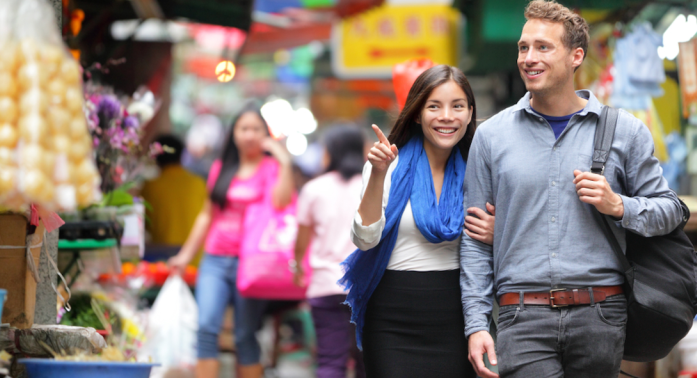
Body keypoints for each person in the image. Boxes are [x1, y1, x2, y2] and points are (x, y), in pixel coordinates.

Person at [460, 0, 685, 378]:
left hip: (601, 312)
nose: (529, 57)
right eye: (523, 47)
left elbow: (671, 210)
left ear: (576, 56)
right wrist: (477, 323)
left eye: (543, 47)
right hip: (521, 314)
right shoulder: (491, 136)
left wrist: (618, 206)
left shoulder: (625, 131)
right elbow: (474, 241)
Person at [341, 65, 491, 378]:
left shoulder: (481, 171)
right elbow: (365, 239)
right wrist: (379, 175)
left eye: (457, 106)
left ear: (470, 113)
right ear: (417, 114)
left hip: (457, 315)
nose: (447, 116)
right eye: (434, 106)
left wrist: (497, 233)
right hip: (391, 321)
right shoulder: (388, 164)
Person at [168, 103, 295, 378]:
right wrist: (185, 257)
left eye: (255, 129)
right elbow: (206, 216)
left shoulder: (271, 168)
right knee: (206, 328)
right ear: (234, 133)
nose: (249, 134)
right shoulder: (219, 168)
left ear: (265, 133)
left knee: (244, 335)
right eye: (243, 128)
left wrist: (284, 161)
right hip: (215, 259)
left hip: (253, 263)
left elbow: (282, 202)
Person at [293, 124, 367, 378]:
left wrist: (297, 267)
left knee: (330, 361)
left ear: (331, 151)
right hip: (366, 288)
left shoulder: (314, 189)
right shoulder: (374, 186)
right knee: (366, 363)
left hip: (325, 285)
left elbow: (300, 242)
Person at [141, 134, 207, 262]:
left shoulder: (150, 186)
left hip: (164, 260)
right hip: (196, 257)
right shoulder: (198, 183)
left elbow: (145, 224)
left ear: (155, 157)